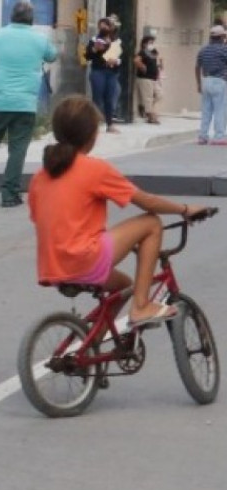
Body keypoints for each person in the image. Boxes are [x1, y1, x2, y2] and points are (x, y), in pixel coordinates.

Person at [28, 96, 210, 327]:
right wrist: (185, 209)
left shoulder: (39, 177)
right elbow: (149, 203)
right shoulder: (94, 169)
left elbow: (45, 219)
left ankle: (91, 349)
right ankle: (141, 307)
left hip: (52, 266)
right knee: (151, 223)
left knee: (124, 288)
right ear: (92, 135)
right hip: (84, 259)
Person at [0, 0, 56, 208]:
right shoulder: (39, 39)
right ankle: (9, 194)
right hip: (24, 104)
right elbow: (52, 55)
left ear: (11, 17)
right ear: (31, 19)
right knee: (17, 150)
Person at [86, 15, 124, 133]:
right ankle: (94, 125)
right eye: (101, 26)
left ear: (110, 27)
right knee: (97, 98)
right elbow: (87, 56)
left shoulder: (116, 41)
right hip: (98, 72)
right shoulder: (94, 40)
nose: (103, 28)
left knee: (110, 98)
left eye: (106, 25)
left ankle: (110, 124)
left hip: (112, 73)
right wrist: (95, 49)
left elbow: (122, 58)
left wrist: (116, 61)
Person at [195, 24, 227, 145]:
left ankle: (203, 136)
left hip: (206, 80)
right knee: (220, 109)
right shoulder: (224, 49)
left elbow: (197, 67)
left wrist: (198, 83)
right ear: (221, 37)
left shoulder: (203, 50)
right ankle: (219, 136)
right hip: (220, 81)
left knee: (206, 110)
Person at [133, 35, 162, 124]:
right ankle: (150, 116)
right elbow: (136, 60)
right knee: (148, 97)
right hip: (145, 78)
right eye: (150, 42)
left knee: (159, 95)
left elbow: (157, 61)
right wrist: (142, 67)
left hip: (154, 78)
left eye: (153, 42)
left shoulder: (153, 52)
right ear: (145, 43)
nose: (152, 44)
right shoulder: (142, 52)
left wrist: (159, 68)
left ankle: (144, 108)